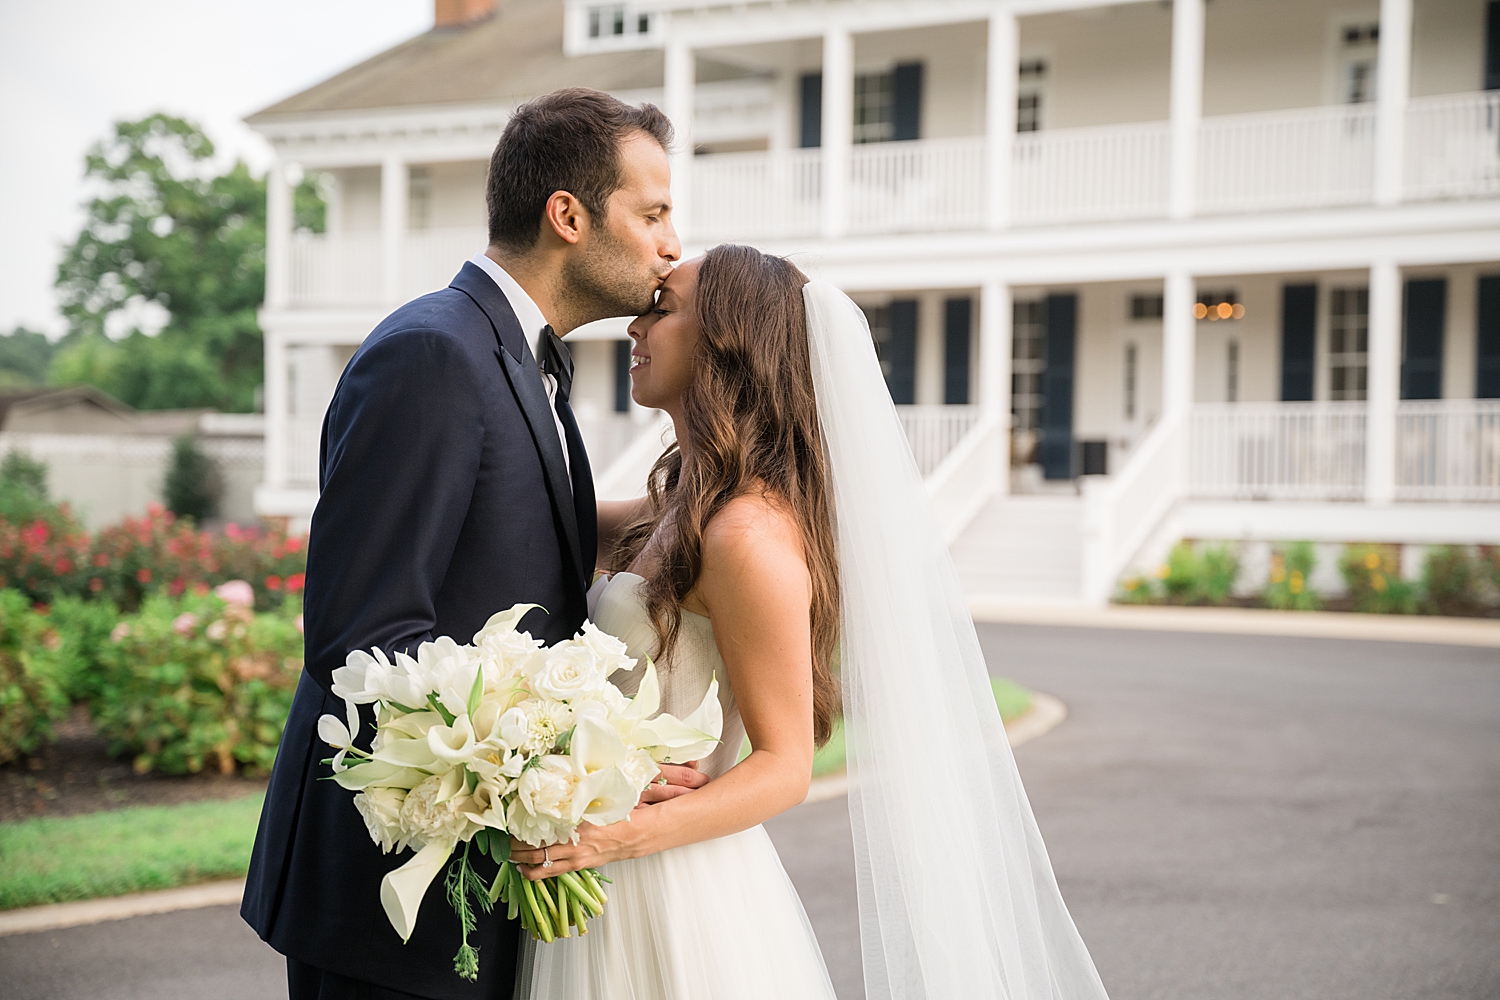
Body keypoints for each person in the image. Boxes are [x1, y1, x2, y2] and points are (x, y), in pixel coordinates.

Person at [508, 244, 1113, 1000]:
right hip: (605, 871)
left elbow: (786, 765)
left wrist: (614, 835)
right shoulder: (680, 505)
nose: (636, 325)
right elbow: (541, 519)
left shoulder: (746, 535)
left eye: (663, 309)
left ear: (729, 342)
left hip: (664, 881)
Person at [240, 88, 706, 1000]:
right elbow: (362, 638)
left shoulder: (524, 355)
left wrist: (718, 519)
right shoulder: (432, 355)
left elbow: (526, 535)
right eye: (651, 213)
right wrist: (573, 766)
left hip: (480, 878)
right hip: (388, 897)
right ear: (567, 216)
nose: (671, 245)